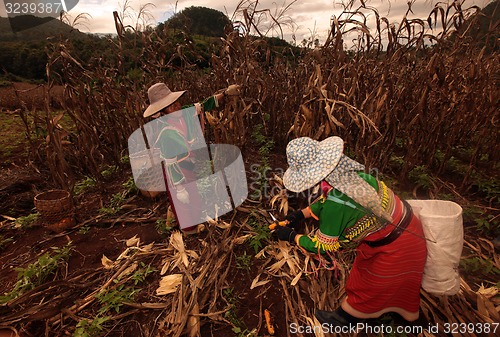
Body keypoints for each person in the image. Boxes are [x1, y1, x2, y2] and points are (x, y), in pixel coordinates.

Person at [273, 136, 427, 326]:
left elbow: (322, 246)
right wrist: (300, 215)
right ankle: (406, 318)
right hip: (411, 230)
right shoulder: (353, 177)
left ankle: (346, 318)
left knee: (370, 284)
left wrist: (292, 236)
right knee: (404, 283)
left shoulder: (335, 205)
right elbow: (333, 200)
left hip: (396, 248)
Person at [142, 82, 241, 234]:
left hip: (186, 162)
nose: (177, 106)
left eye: (176, 103)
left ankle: (172, 218)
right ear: (162, 112)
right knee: (184, 197)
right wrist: (180, 187)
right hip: (175, 169)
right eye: (171, 105)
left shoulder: (182, 113)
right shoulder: (166, 133)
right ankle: (190, 230)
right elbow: (170, 164)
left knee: (187, 195)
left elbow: (203, 105)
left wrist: (226, 94)